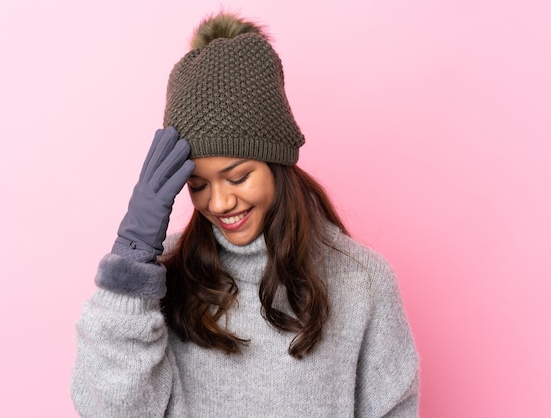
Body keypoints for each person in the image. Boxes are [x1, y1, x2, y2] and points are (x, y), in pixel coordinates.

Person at [71, 12, 419, 418]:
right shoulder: (161, 276)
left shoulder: (361, 281)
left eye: (237, 177)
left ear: (277, 163)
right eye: (198, 185)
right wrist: (131, 268)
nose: (218, 203)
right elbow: (106, 410)